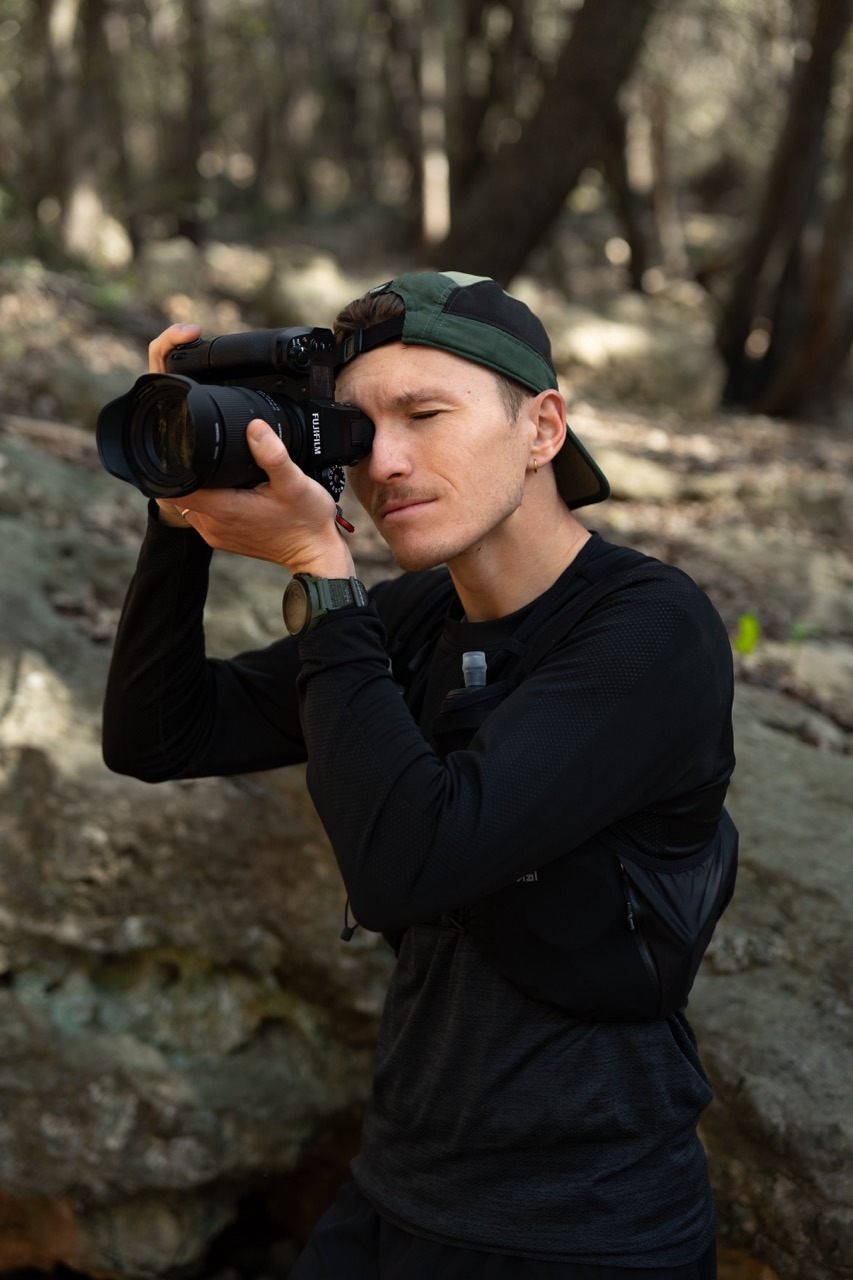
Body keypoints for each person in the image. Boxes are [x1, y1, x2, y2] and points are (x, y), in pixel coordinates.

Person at [102, 270, 736, 1279]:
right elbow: (159, 734)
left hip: (584, 1227)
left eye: (426, 414)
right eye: (357, 429)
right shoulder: (415, 621)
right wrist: (177, 519)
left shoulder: (650, 631)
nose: (385, 461)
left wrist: (323, 571)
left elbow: (410, 859)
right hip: (396, 1189)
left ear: (541, 429)